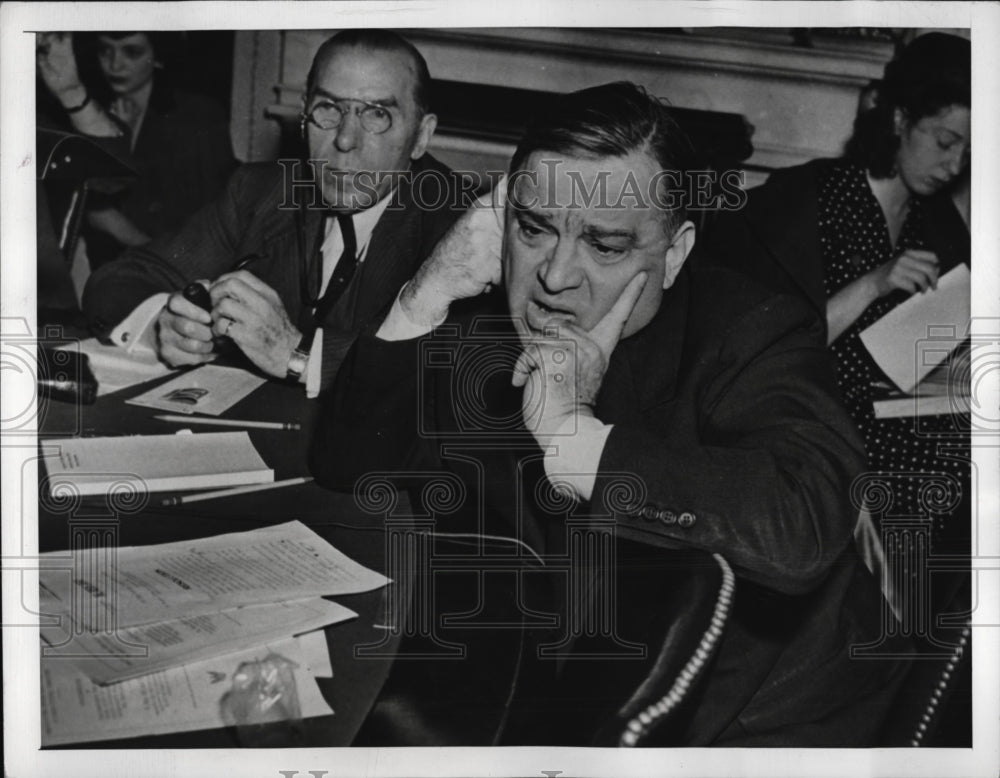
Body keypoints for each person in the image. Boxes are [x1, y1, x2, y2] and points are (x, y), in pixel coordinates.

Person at [312, 81, 911, 746]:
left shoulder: (750, 330)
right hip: (563, 675)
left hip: (756, 726)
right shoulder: (489, 328)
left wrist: (579, 443)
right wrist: (427, 292)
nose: (556, 276)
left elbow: (802, 527)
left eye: (605, 245)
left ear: (676, 253)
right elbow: (346, 465)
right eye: (534, 228)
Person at [702, 33, 971, 622]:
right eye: (945, 141)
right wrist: (876, 282)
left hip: (902, 434)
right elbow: (759, 355)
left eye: (967, 153)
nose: (954, 165)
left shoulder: (939, 223)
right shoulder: (815, 198)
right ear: (900, 118)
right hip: (814, 428)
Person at [82, 30, 467, 393]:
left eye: (377, 115)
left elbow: (457, 375)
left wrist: (299, 355)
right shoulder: (259, 191)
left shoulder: (460, 224)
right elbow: (118, 281)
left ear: (421, 135)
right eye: (329, 108)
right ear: (304, 114)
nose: (346, 139)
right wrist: (163, 323)